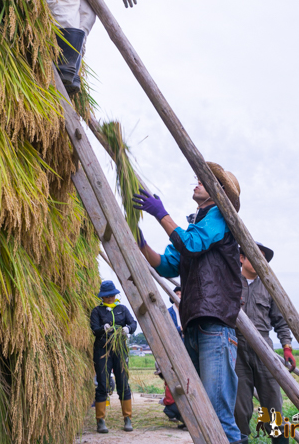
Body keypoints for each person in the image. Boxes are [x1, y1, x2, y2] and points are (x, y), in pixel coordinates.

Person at [133, 162, 246, 444]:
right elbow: (167, 264)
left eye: (204, 181)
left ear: (218, 192)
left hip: (215, 324)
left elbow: (192, 244)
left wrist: (161, 214)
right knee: (200, 409)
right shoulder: (194, 225)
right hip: (195, 325)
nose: (196, 183)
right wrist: (141, 243)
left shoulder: (220, 215)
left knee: (218, 413)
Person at [234, 242, 295, 444]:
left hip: (264, 350)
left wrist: (287, 347)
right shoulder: (231, 282)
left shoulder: (269, 287)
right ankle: (241, 439)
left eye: (262, 258)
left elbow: (281, 321)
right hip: (236, 349)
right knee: (239, 408)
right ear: (241, 258)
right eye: (253, 255)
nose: (259, 261)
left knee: (272, 405)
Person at [89, 280, 138, 433]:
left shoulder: (122, 309)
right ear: (102, 297)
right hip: (103, 350)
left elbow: (133, 323)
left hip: (120, 350)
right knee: (103, 384)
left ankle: (127, 418)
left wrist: (127, 328)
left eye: (112, 295)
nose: (110, 298)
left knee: (123, 382)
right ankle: (101, 420)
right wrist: (102, 329)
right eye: (107, 296)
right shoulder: (97, 311)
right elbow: (94, 329)